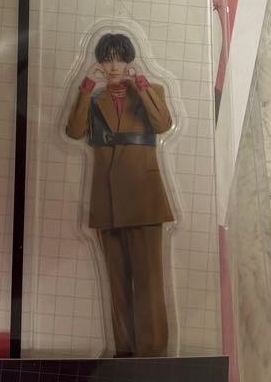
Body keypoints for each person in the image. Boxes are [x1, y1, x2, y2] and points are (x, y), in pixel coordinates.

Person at [65, 31, 174, 357]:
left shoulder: (151, 91)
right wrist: (86, 86)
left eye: (119, 59)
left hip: (144, 198)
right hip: (107, 201)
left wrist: (140, 82)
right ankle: (125, 355)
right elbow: (74, 131)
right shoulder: (93, 99)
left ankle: (153, 355)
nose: (113, 66)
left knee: (149, 282)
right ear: (99, 62)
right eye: (106, 59)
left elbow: (163, 124)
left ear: (128, 61)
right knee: (118, 285)